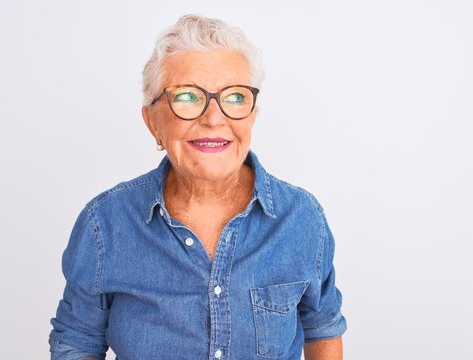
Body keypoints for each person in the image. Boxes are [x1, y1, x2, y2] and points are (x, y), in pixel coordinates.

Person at [49, 14, 347, 360]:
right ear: (152, 122)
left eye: (235, 97)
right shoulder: (105, 224)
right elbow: (77, 341)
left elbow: (323, 329)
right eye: (188, 97)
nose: (214, 117)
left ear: (252, 115)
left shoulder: (301, 219)